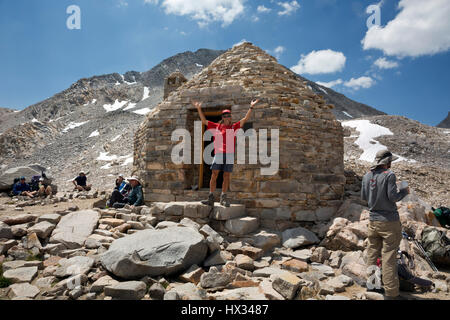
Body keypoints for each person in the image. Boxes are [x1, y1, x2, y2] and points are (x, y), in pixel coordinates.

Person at [361, 149, 410, 300]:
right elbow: (393, 197)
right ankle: (391, 293)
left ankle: (372, 286)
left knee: (372, 254)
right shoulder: (389, 175)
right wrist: (404, 191)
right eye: (390, 162)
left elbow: (363, 197)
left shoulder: (366, 176)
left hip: (373, 220)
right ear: (387, 162)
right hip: (389, 222)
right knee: (389, 257)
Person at [192, 99, 259, 207]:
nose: (227, 117)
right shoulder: (217, 126)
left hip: (229, 154)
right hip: (219, 153)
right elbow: (204, 121)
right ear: (222, 118)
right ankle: (211, 197)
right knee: (214, 175)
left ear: (230, 117)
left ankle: (223, 197)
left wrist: (251, 107)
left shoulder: (234, 127)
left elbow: (245, 119)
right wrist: (199, 109)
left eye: (228, 115)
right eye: (224, 115)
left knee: (226, 176)